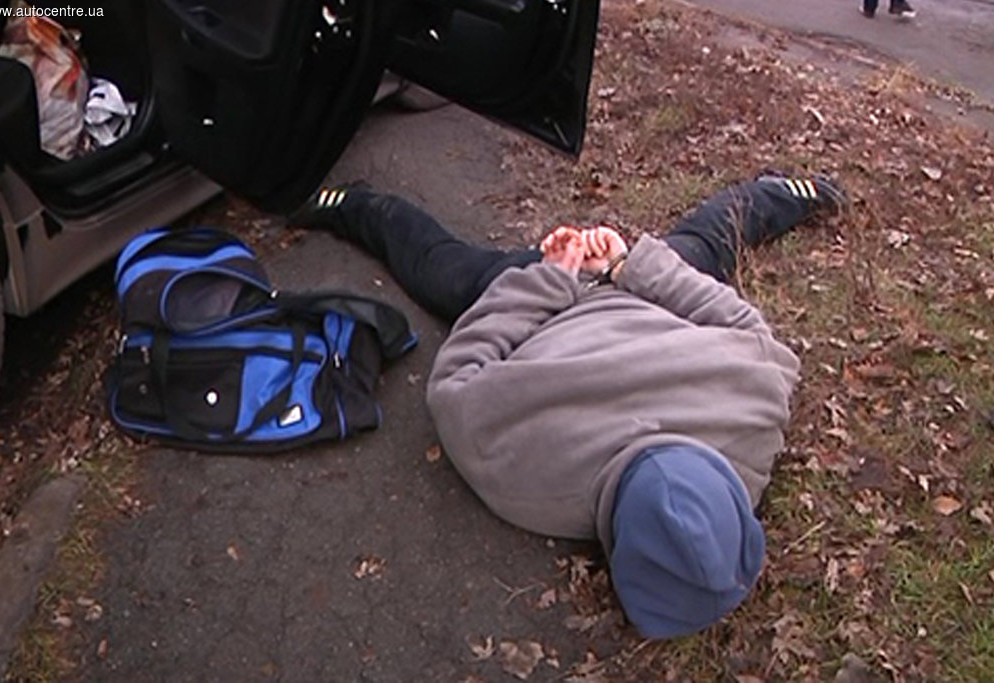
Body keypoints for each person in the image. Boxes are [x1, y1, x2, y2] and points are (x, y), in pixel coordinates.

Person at [291, 173, 845, 638]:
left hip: (566, 297)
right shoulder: (521, 479)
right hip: (619, 287)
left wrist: (551, 279)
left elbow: (743, 322)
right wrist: (626, 265)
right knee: (442, 270)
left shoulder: (759, 411)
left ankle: (356, 203)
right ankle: (349, 203)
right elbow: (456, 376)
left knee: (441, 265)